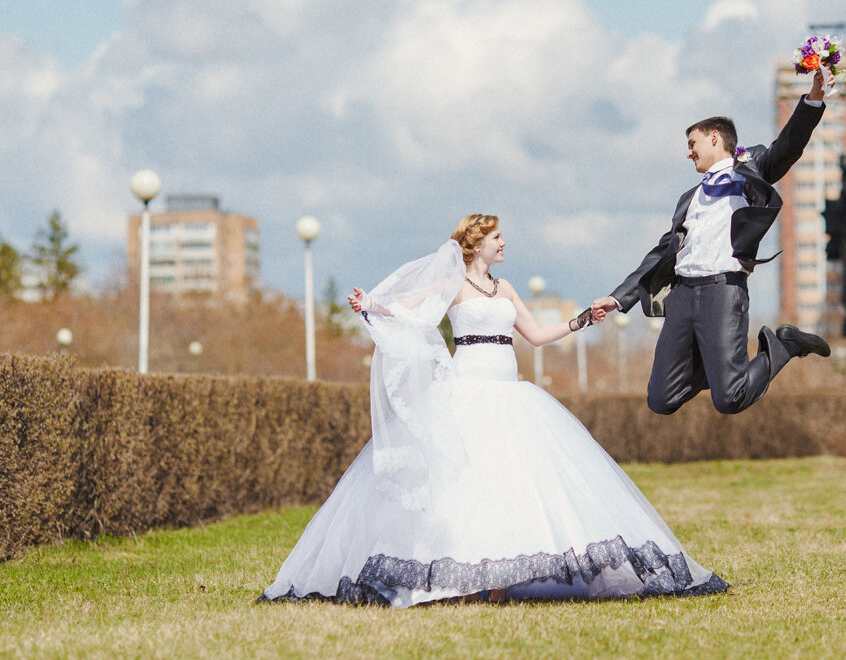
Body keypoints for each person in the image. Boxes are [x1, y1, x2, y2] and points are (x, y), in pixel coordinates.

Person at [260, 214, 728, 607]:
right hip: (467, 391)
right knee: (464, 484)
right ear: (476, 243)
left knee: (510, 483)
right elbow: (411, 306)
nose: (504, 243)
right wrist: (373, 304)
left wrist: (581, 319)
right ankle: (464, 578)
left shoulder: (504, 288)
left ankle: (500, 581)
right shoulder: (453, 285)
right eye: (497, 237)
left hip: (511, 393)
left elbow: (537, 334)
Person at [591, 71, 832, 416]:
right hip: (683, 296)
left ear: (715, 137)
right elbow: (662, 252)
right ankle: (715, 364)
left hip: (723, 290)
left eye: (692, 144)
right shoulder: (689, 198)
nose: (689, 153)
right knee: (661, 399)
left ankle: (783, 345)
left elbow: (790, 144)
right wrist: (618, 298)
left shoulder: (751, 172)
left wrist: (814, 97)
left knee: (730, 399)